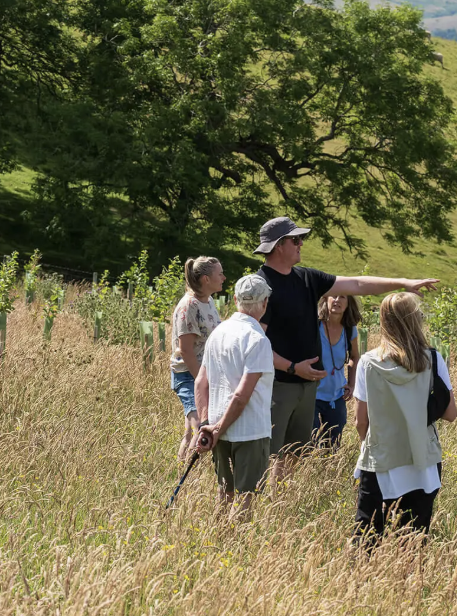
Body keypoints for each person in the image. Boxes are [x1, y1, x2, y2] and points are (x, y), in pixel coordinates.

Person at [252, 216, 438, 480]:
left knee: (294, 453)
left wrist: (404, 283)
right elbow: (255, 343)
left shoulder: (307, 278)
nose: (301, 244)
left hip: (307, 386)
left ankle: (280, 506)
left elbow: (357, 284)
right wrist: (293, 368)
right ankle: (257, 511)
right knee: (269, 452)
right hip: (278, 385)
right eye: (296, 240)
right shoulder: (261, 287)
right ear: (278, 246)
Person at [353, 292, 457, 541]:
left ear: (383, 321)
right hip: (422, 460)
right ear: (416, 320)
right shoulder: (432, 359)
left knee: (366, 538)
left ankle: (364, 581)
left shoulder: (368, 363)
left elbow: (361, 421)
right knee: (413, 539)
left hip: (381, 458)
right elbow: (451, 413)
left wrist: (367, 443)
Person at [194, 275, 275, 514]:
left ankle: (218, 542)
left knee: (224, 492)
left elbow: (200, 382)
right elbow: (241, 395)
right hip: (249, 432)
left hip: (219, 428)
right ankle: (237, 547)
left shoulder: (218, 333)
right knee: (245, 497)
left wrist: (207, 423)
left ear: (236, 299)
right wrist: (215, 428)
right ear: (264, 303)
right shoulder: (258, 339)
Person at [170, 256, 225, 460]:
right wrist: (202, 381)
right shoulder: (189, 307)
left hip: (203, 374)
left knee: (190, 430)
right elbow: (186, 351)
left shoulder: (208, 301)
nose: (224, 277)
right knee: (199, 427)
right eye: (220, 274)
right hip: (188, 374)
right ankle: (186, 478)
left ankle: (181, 472)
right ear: (205, 279)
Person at [313, 294, 362, 451]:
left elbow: (354, 356)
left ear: (348, 304)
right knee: (311, 445)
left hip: (337, 395)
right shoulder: (314, 326)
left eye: (342, 297)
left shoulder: (349, 330)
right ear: (325, 300)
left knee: (332, 447)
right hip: (311, 395)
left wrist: (352, 384)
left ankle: (329, 473)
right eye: (333, 296)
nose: (337, 300)